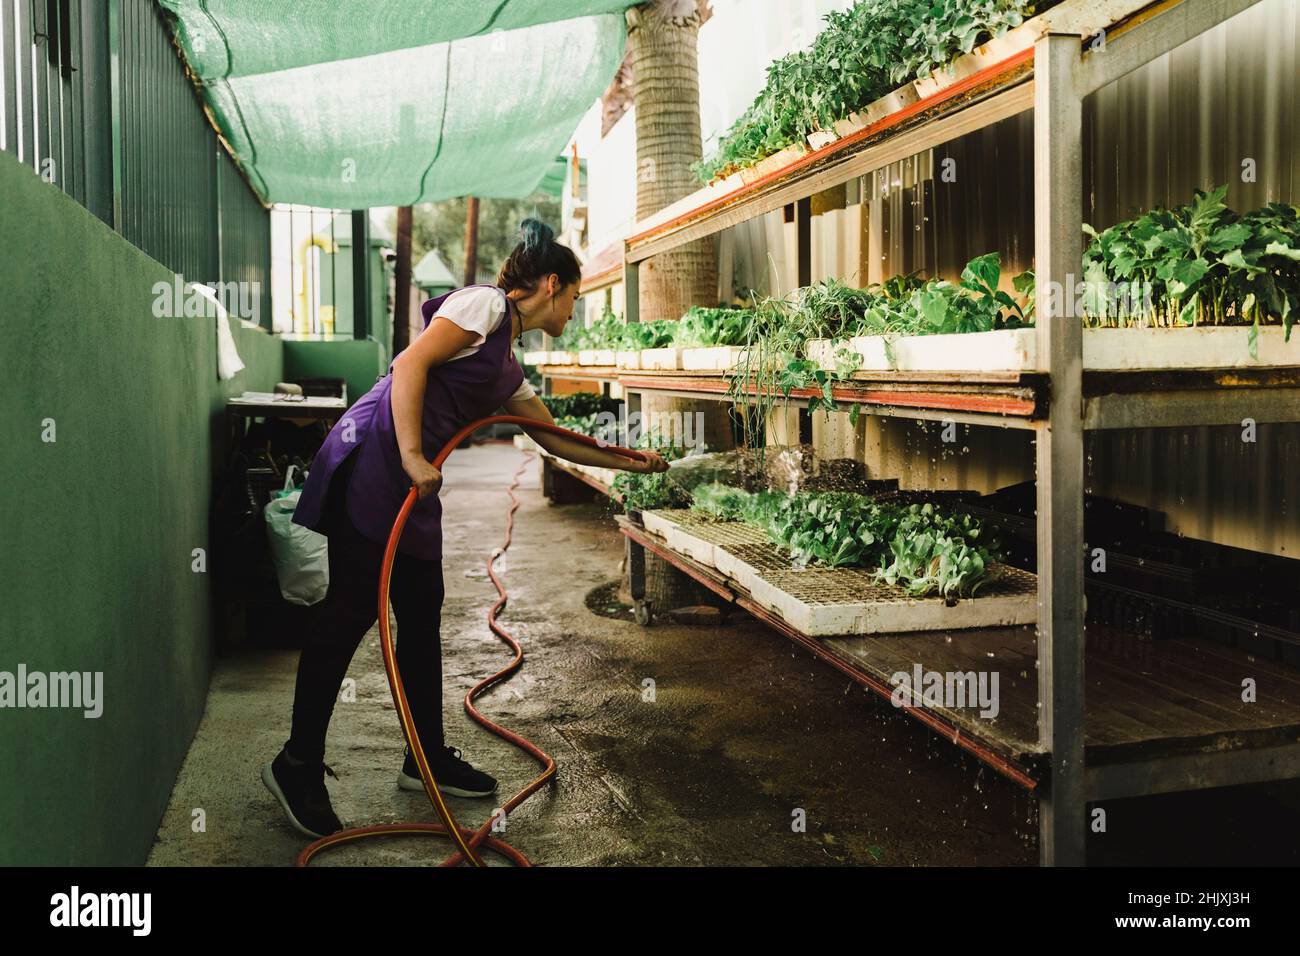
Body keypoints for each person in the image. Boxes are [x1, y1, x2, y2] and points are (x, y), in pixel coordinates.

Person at [261, 219, 668, 839]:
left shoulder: (508, 361)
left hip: (415, 477)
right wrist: (411, 457)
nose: (575, 311)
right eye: (575, 297)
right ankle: (296, 765)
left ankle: (424, 759)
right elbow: (410, 364)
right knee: (348, 613)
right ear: (551, 284)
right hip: (381, 459)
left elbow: (553, 436)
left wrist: (629, 460)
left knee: (422, 610)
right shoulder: (482, 306)